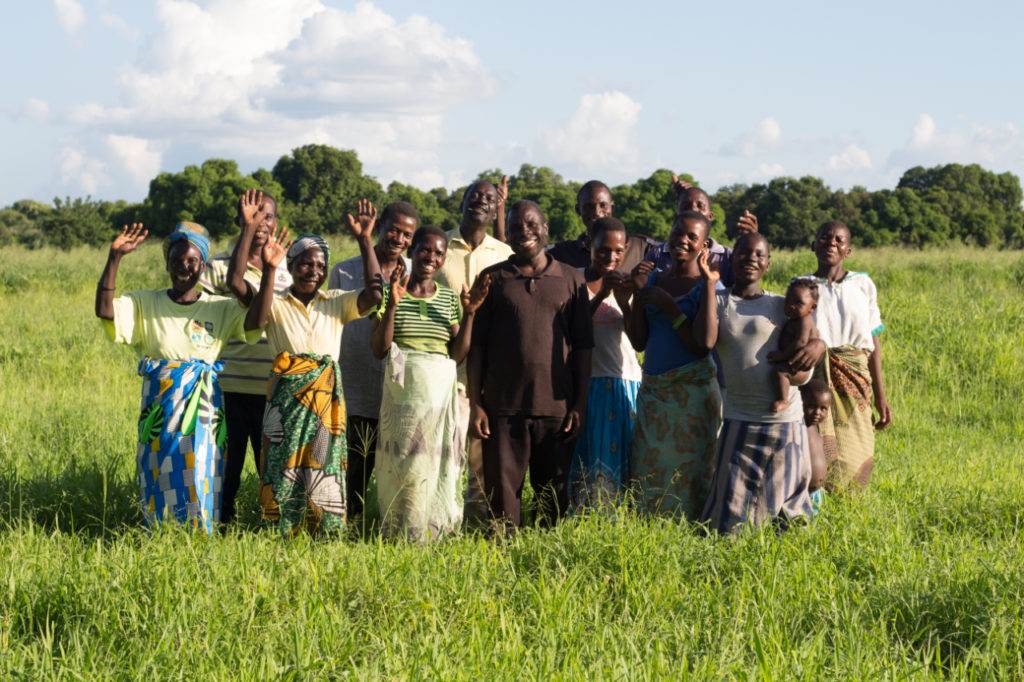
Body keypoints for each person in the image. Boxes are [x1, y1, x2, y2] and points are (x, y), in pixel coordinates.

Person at [233, 200, 382, 537]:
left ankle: (323, 531)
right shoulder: (276, 300)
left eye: (320, 265)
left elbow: (375, 293)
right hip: (285, 403)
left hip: (325, 405)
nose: (313, 270)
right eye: (305, 263)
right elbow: (252, 312)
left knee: (324, 464)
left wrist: (364, 240)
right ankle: (280, 530)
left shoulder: (336, 302)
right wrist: (270, 270)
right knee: (281, 462)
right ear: (292, 264)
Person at [96, 222, 251, 534]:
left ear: (203, 266)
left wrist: (249, 233)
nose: (185, 266)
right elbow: (105, 310)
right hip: (161, 408)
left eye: (192, 261)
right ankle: (160, 531)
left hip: (204, 408)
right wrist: (114, 258)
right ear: (167, 264)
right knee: (158, 466)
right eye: (178, 260)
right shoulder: (145, 303)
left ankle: (202, 533)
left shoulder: (219, 307)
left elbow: (258, 317)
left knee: (203, 466)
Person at [469, 200, 593, 532]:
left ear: (546, 228)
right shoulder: (492, 279)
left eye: (531, 224)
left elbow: (583, 348)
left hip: (556, 407)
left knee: (551, 494)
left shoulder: (570, 279)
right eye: (514, 226)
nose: (523, 231)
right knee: (504, 496)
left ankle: (545, 558)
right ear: (506, 234)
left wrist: (579, 403)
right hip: (502, 406)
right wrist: (476, 403)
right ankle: (503, 561)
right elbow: (477, 346)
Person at [694, 233, 826, 534]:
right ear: (731, 257)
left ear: (768, 263)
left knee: (786, 509)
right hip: (741, 417)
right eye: (743, 253)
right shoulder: (718, 300)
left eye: (759, 255)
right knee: (727, 514)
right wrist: (710, 283)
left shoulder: (782, 304)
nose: (751, 259)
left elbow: (814, 338)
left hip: (784, 419)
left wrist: (821, 347)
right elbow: (705, 341)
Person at [370, 226, 491, 541]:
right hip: (402, 395)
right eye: (425, 249)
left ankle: (431, 531)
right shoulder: (392, 291)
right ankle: (398, 530)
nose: (431, 257)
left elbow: (457, 354)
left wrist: (470, 315)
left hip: (437, 397)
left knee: (433, 462)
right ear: (412, 252)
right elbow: (379, 349)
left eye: (439, 253)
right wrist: (394, 303)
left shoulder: (449, 298)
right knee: (401, 462)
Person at [199, 190, 292, 525]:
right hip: (227, 387)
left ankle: (272, 526)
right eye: (253, 215)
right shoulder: (215, 269)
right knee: (226, 465)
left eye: (268, 216)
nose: (261, 223)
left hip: (272, 388)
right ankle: (219, 523)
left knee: (272, 465)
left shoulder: (286, 270)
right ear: (239, 220)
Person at [624, 212, 723, 519]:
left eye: (692, 237)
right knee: (648, 468)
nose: (683, 240)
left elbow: (703, 344)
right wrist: (638, 294)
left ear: (704, 245)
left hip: (693, 396)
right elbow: (639, 342)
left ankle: (691, 530)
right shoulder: (653, 278)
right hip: (655, 394)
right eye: (678, 233)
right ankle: (651, 531)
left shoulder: (705, 285)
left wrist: (669, 307)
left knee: (692, 473)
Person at [328, 201, 415, 522]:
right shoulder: (345, 270)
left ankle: (391, 526)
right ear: (379, 227)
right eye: (394, 229)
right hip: (356, 384)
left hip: (400, 388)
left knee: (399, 468)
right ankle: (349, 525)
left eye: (408, 234)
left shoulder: (415, 272)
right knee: (354, 465)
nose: (399, 239)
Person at [435, 179, 514, 528]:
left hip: (489, 366)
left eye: (490, 198)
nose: (481, 201)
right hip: (443, 365)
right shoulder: (439, 247)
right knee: (441, 452)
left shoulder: (503, 253)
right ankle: (437, 521)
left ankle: (477, 526)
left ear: (497, 205)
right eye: (474, 195)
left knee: (480, 454)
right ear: (462, 200)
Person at [796, 220, 892, 488]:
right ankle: (815, 498)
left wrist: (881, 397)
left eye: (839, 240)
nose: (832, 244)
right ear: (814, 245)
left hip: (855, 378)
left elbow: (873, 344)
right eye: (825, 239)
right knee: (815, 442)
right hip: (815, 380)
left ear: (848, 250)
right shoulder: (802, 286)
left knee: (856, 447)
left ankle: (849, 502)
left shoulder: (862, 284)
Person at [567, 217, 642, 510]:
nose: (611, 257)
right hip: (589, 383)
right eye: (603, 250)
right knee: (589, 458)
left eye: (618, 251)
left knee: (624, 458)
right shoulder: (573, 279)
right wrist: (601, 295)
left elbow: (638, 341)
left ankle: (621, 521)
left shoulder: (628, 285)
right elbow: (572, 329)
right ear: (589, 245)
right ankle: (586, 519)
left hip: (624, 382)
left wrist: (623, 300)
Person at [548, 180, 661, 273]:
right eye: (589, 206)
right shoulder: (561, 253)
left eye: (603, 205)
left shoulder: (639, 247)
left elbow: (673, 250)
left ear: (612, 208)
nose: (597, 212)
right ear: (578, 210)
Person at [769, 280, 820, 413]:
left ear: (812, 307)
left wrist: (781, 355)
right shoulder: (795, 319)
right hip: (793, 362)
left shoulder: (805, 320)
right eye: (788, 301)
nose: (791, 305)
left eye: (798, 303)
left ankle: (784, 400)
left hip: (799, 366)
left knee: (781, 372)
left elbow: (801, 342)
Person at [800, 381, 835, 513]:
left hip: (815, 493)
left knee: (811, 530)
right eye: (811, 406)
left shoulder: (816, 428)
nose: (817, 412)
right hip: (800, 494)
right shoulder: (799, 428)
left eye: (823, 408)